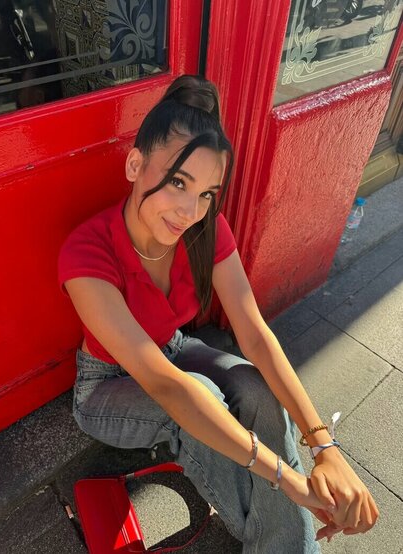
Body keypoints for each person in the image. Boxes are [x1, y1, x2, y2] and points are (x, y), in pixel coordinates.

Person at [58, 75, 378, 553]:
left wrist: (323, 446)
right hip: (106, 386)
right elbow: (168, 386)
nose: (190, 210)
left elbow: (255, 334)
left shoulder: (205, 230)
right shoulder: (87, 252)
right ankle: (282, 539)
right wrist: (291, 482)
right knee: (198, 402)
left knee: (253, 386)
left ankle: (281, 540)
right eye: (178, 183)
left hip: (174, 348)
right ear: (135, 164)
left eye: (207, 193)